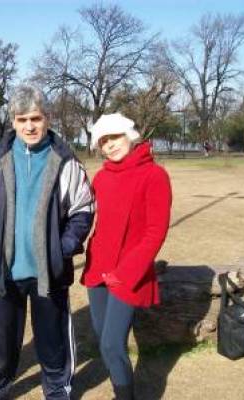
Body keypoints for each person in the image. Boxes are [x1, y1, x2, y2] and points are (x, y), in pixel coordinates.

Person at [0, 84, 94, 399]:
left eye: (35, 118)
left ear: (47, 118)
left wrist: (60, 250)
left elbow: (83, 211)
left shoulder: (65, 161)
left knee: (53, 341)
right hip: (4, 272)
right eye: (22, 119)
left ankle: (57, 389)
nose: (29, 126)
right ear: (13, 121)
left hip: (47, 271)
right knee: (1, 343)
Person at [81, 113, 172, 400]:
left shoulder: (154, 175)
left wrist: (125, 272)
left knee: (111, 344)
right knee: (102, 337)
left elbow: (155, 233)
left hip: (128, 273)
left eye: (115, 137)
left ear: (129, 135)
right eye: (103, 141)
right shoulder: (102, 176)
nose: (110, 145)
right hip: (97, 269)